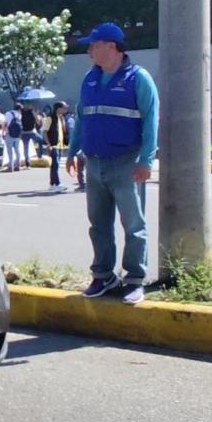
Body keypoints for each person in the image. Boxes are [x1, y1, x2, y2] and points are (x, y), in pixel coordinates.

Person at [65, 23, 159, 306]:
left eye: (93, 45)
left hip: (127, 163)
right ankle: (103, 275)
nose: (89, 51)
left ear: (111, 46)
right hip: (94, 163)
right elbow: (82, 118)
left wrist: (146, 160)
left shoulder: (138, 78)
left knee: (133, 225)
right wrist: (72, 151)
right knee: (98, 224)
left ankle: (134, 279)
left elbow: (151, 120)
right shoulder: (89, 79)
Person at [42, 100, 69, 193]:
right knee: (55, 165)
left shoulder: (61, 118)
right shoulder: (50, 118)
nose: (66, 109)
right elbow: (44, 131)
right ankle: (56, 184)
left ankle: (53, 184)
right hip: (53, 145)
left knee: (55, 165)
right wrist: (48, 144)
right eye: (64, 107)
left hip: (60, 145)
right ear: (58, 108)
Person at [3, 104, 24, 172]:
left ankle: (10, 167)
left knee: (10, 151)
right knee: (17, 150)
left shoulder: (8, 113)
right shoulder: (19, 115)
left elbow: (5, 124)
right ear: (19, 109)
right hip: (17, 135)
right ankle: (18, 166)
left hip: (9, 134)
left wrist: (3, 132)